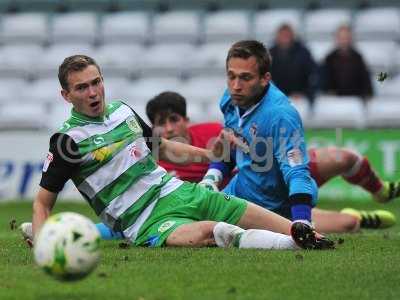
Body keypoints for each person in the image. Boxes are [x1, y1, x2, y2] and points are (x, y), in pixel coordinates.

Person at [26, 54, 334, 251]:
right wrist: (42, 248)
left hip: (174, 191)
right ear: (66, 96)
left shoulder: (122, 111)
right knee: (213, 232)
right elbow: (42, 203)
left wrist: (208, 154)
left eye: (96, 82)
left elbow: (163, 149)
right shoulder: (67, 141)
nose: (93, 93)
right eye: (82, 88)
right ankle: (291, 245)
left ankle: (306, 233)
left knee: (238, 207)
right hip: (142, 221)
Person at [200, 40, 395, 234]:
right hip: (242, 189)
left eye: (245, 78)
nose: (236, 86)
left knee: (345, 163)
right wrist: (212, 178)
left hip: (274, 205)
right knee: (190, 220)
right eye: (231, 76)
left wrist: (302, 222)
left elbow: (297, 173)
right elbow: (232, 145)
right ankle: (356, 217)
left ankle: (379, 194)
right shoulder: (230, 98)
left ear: (265, 78)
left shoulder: (281, 116)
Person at [269, 23, 318, 105]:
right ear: (277, 37)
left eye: (287, 35)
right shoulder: (270, 54)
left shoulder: (303, 52)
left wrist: (303, 93)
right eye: (282, 35)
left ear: (292, 36)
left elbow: (312, 74)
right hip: (277, 97)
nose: (285, 38)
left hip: (301, 97)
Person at [321, 25, 373, 100]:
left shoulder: (358, 58)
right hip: (334, 101)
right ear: (337, 39)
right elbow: (324, 83)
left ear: (351, 39)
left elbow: (366, 83)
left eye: (346, 38)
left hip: (355, 100)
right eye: (341, 38)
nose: (344, 41)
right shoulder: (329, 59)